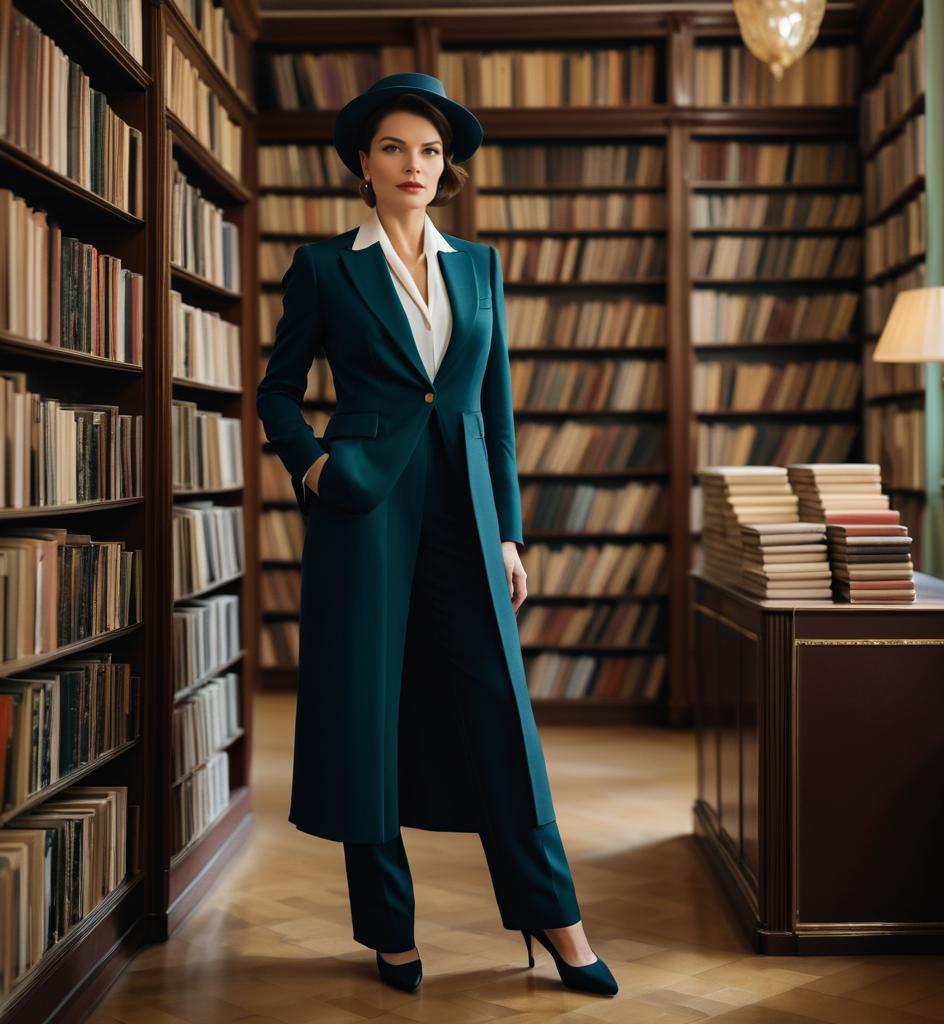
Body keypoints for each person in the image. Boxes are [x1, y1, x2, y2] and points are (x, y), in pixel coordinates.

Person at [255, 72, 618, 998]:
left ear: (445, 165)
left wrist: (511, 533)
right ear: (363, 166)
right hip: (363, 507)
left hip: (467, 510)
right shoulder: (326, 266)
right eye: (392, 148)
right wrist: (314, 465)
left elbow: (494, 413)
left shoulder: (478, 267)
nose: (413, 164)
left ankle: (556, 917)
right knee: (368, 715)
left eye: (428, 149)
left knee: (500, 709)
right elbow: (278, 392)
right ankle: (389, 930)